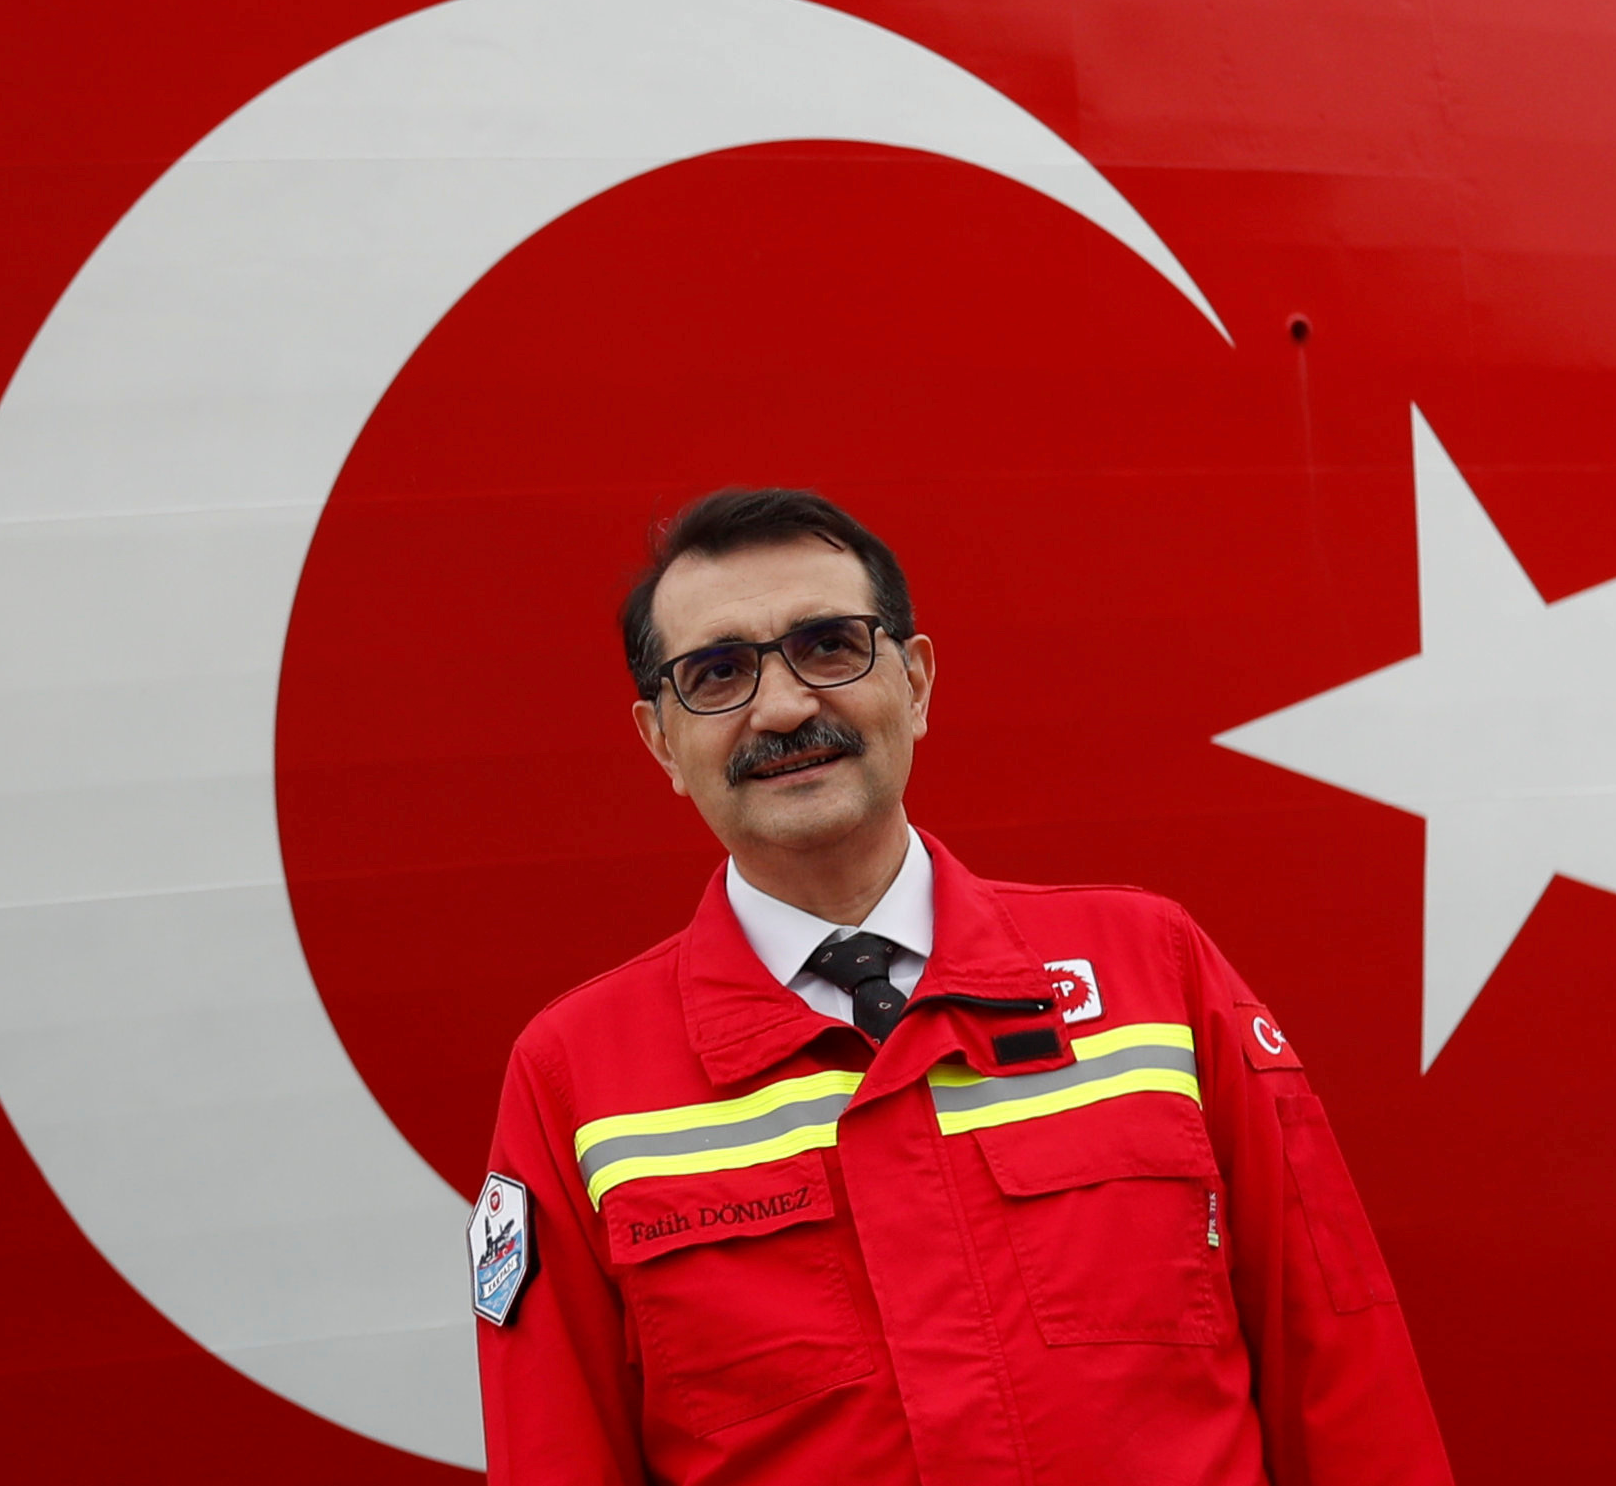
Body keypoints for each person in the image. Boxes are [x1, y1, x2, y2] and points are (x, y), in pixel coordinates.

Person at [471, 488, 1453, 1485]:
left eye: (828, 646)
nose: (781, 707)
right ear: (659, 743)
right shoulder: (576, 1081)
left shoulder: (1153, 968)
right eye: (716, 672)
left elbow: (1343, 1373)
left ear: (917, 681)